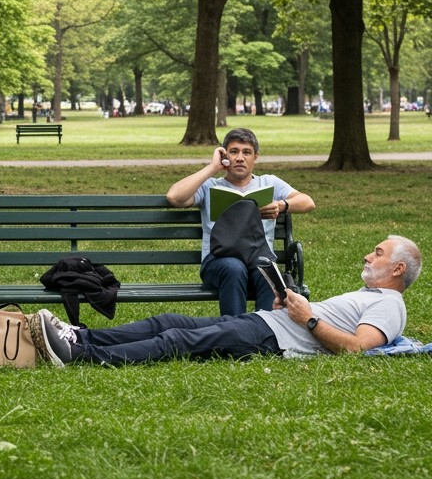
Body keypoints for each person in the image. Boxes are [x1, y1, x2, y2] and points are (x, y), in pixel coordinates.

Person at [35, 235, 421, 366]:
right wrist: (293, 308)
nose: (369, 257)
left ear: (398, 269)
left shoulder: (390, 305)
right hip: (268, 323)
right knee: (165, 322)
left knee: (176, 341)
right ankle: (77, 337)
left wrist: (307, 318)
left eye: (378, 253)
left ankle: (81, 355)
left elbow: (355, 350)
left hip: (272, 340)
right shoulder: (371, 295)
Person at [166, 127, 314, 316]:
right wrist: (212, 168)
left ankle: (266, 333)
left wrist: (282, 205)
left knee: (267, 272)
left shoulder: (269, 183)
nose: (240, 158)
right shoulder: (211, 185)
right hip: (219, 260)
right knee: (234, 268)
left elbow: (308, 202)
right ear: (224, 155)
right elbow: (174, 197)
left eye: (246, 152)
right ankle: (234, 335)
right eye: (234, 151)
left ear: (255, 157)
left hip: (258, 258)